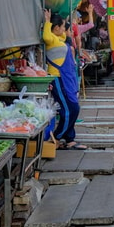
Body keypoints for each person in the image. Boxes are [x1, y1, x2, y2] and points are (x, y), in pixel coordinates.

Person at [43, 9, 86, 150]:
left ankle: (70, 139)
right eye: (62, 26)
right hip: (58, 80)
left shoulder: (59, 39)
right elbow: (46, 37)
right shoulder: (52, 40)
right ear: (56, 28)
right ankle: (57, 137)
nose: (64, 29)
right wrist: (48, 22)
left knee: (73, 108)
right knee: (69, 110)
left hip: (66, 81)